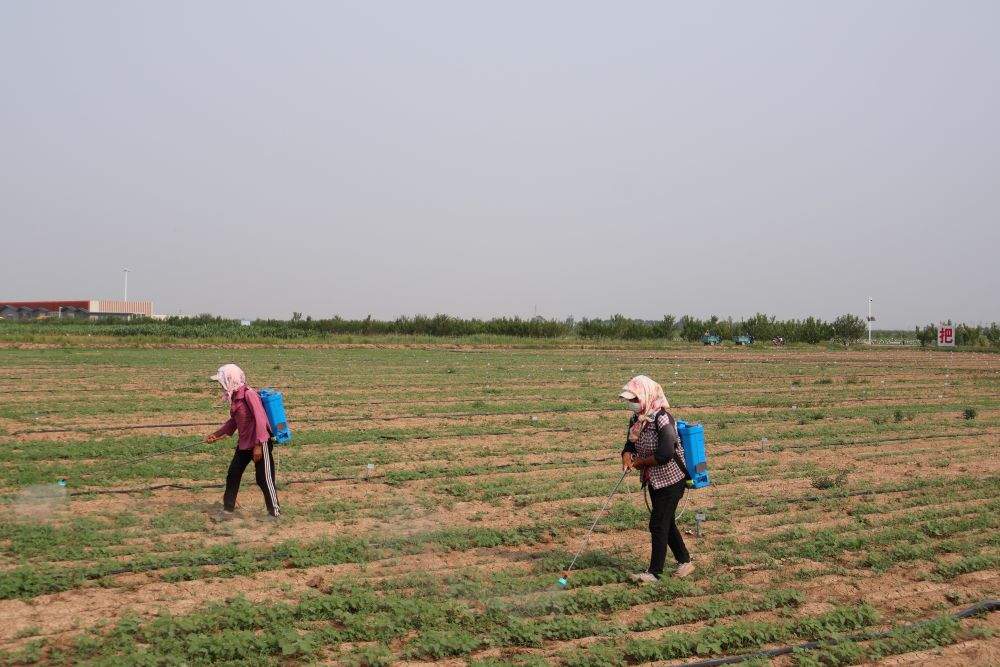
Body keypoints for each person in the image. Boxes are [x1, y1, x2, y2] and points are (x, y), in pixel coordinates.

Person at [619, 375, 693, 583]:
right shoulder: (637, 420)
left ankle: (654, 572)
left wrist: (640, 463)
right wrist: (626, 455)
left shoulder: (663, 419)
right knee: (665, 521)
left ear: (646, 396)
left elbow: (665, 453)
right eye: (630, 400)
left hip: (671, 480)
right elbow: (630, 444)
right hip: (654, 480)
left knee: (658, 524)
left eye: (635, 399)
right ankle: (685, 561)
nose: (632, 404)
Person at [204, 363, 280, 521]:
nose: (221, 384)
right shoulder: (235, 397)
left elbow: (260, 419)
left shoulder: (249, 394)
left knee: (264, 478)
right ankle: (228, 510)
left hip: (260, 442)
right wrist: (217, 434)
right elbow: (234, 422)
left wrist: (259, 445)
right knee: (233, 474)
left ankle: (275, 512)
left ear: (230, 379)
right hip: (244, 443)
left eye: (222, 380)